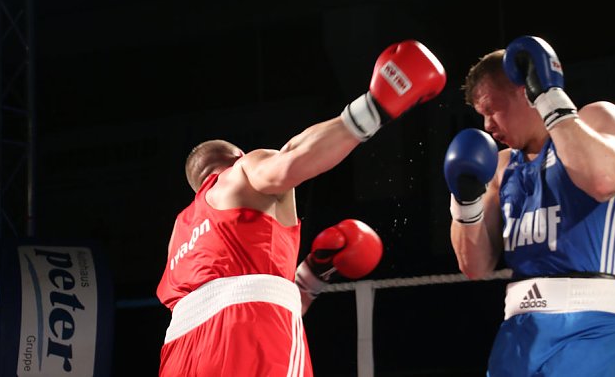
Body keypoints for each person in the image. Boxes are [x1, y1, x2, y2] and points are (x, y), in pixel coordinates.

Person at [156, 39, 446, 377]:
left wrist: (311, 274)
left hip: (178, 353)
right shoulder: (243, 170)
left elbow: (242, 294)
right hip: (249, 331)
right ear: (238, 155)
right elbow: (291, 158)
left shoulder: (181, 232)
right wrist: (374, 107)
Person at [444, 35, 615, 377]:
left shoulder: (599, 120)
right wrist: (465, 201)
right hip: (519, 330)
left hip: (591, 322)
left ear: (525, 90)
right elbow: (474, 266)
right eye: (481, 115)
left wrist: (550, 98)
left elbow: (604, 180)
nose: (488, 126)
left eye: (492, 109)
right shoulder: (500, 167)